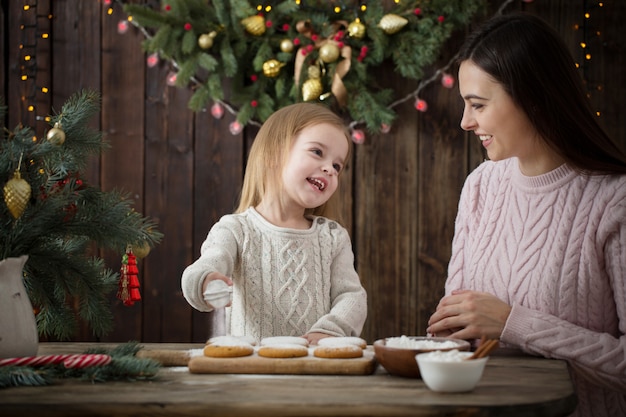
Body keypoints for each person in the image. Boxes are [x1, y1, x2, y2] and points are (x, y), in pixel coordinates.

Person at [426, 12, 626, 417]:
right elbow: (457, 325)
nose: (465, 122)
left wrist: (514, 324)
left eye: (477, 105)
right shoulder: (481, 185)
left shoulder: (613, 200)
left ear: (532, 97)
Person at [181, 103, 367, 346]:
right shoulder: (235, 230)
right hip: (251, 372)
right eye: (318, 152)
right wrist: (206, 281)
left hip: (316, 369)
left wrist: (329, 331)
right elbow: (201, 269)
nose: (329, 170)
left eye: (337, 166)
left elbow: (352, 297)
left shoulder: (332, 238)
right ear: (273, 154)